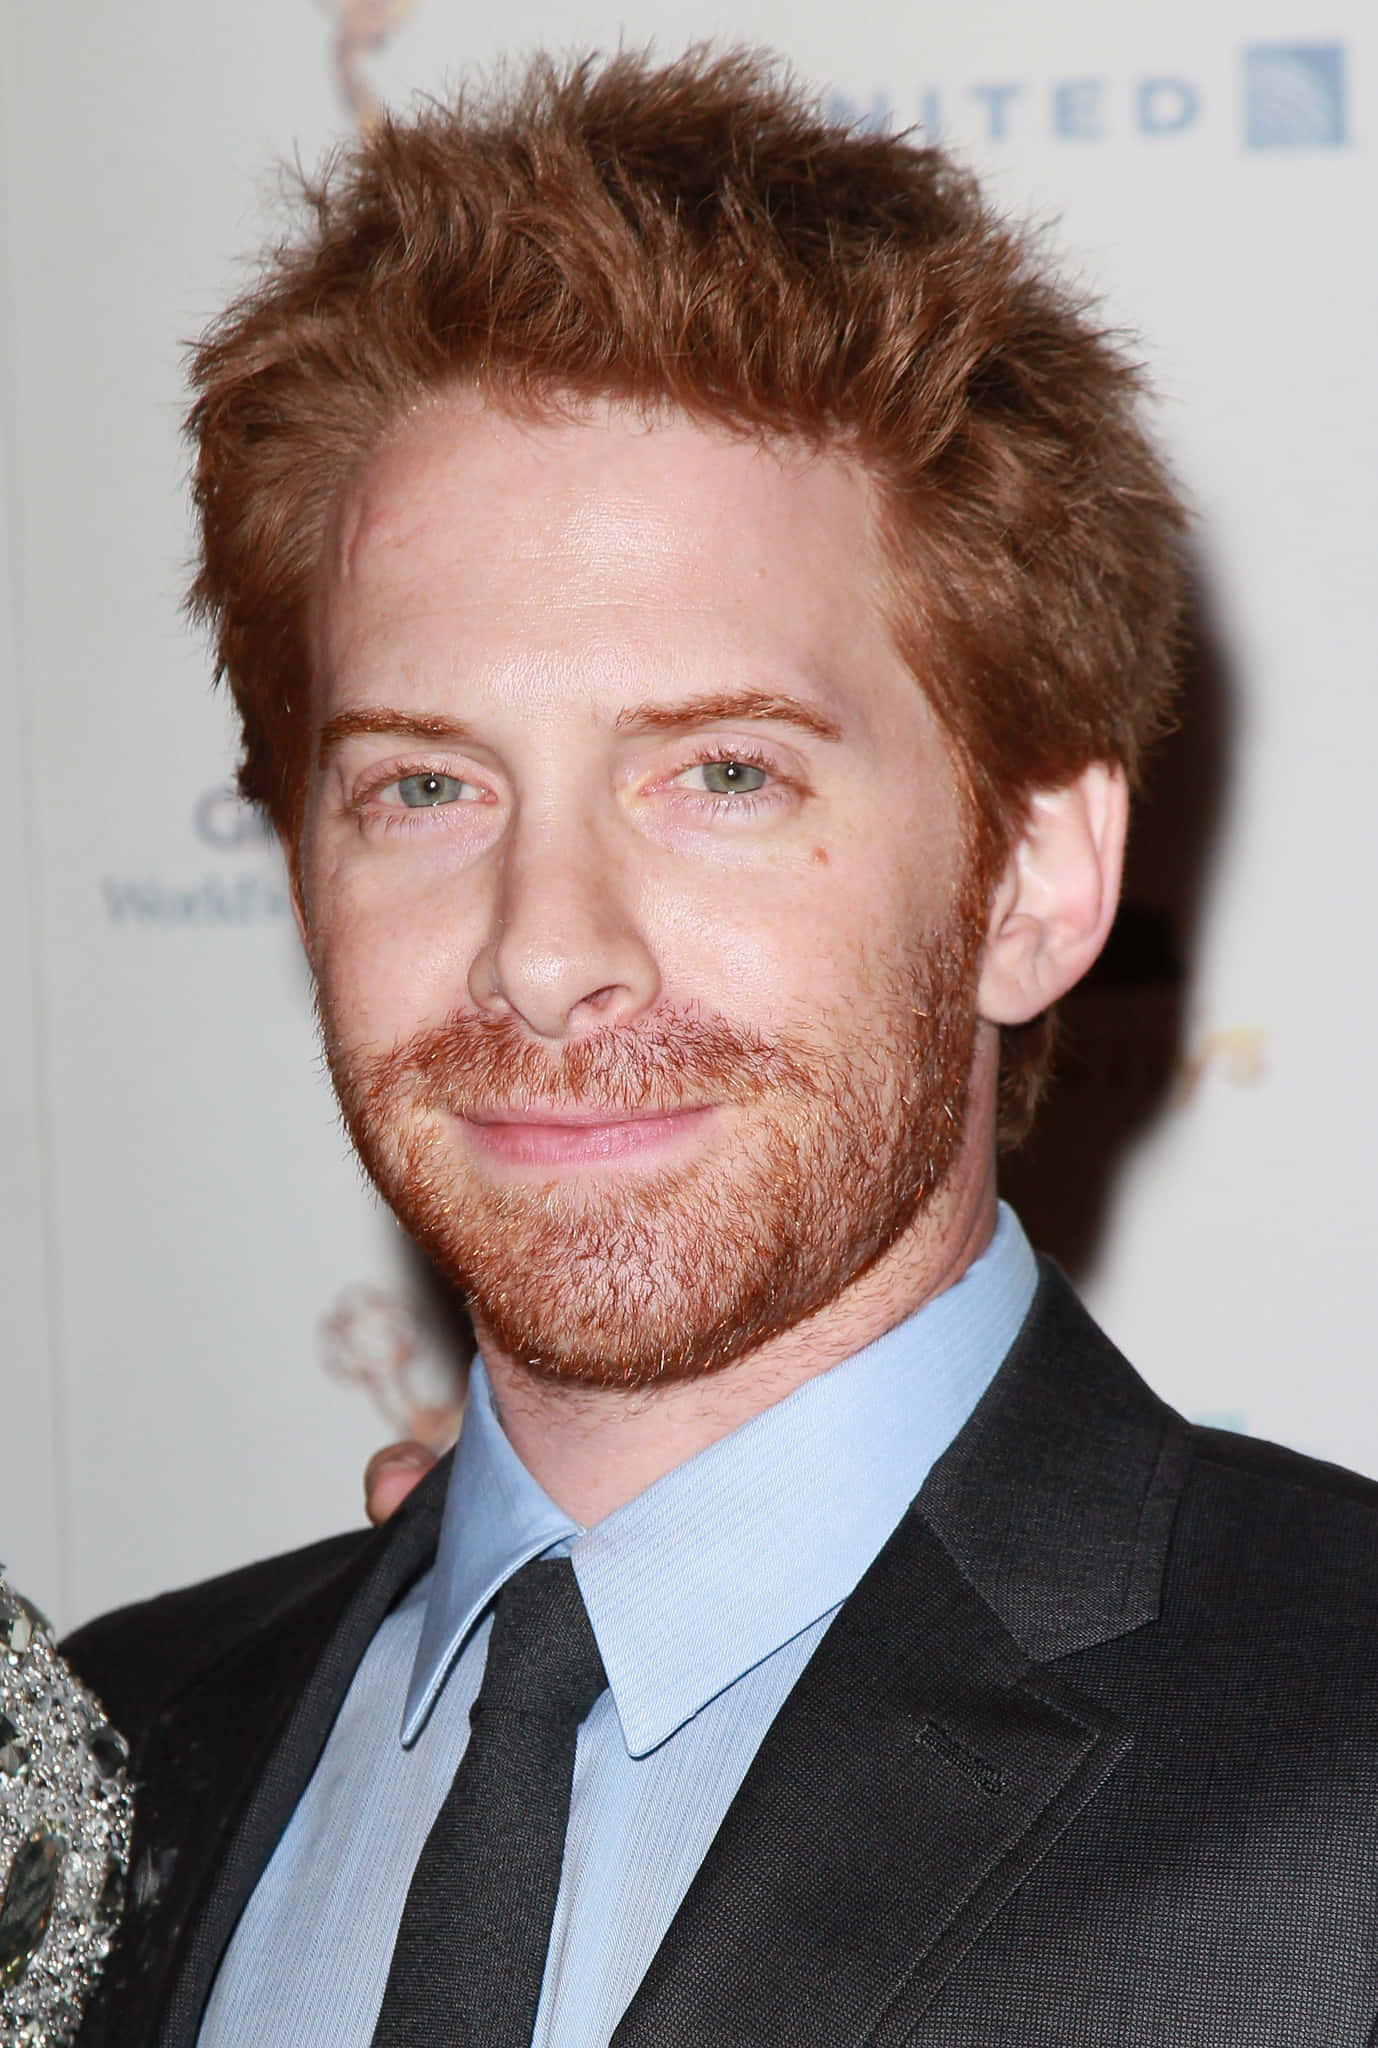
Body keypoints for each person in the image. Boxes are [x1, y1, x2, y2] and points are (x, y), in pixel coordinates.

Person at [62, 46, 1378, 2048]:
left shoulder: (1341, 1761)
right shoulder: (111, 1758)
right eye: (424, 786)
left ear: (1034, 871)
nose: (544, 953)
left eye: (723, 772)